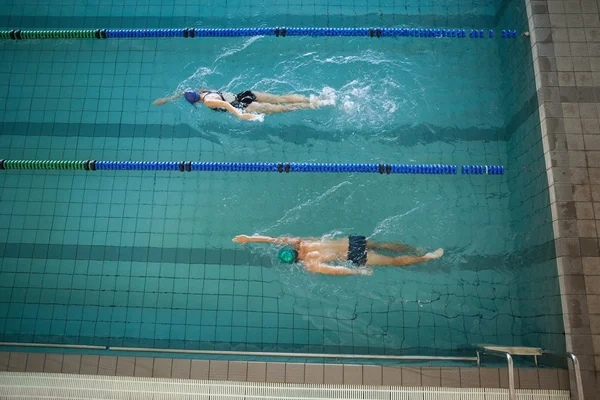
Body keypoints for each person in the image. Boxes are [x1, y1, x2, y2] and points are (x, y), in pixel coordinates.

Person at [232, 234, 444, 276]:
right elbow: (274, 239)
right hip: (349, 241)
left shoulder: (309, 264)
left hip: (354, 256)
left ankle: (427, 257)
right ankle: (414, 249)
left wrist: (359, 273)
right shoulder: (301, 242)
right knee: (380, 243)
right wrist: (249, 238)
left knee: (394, 263)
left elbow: (333, 270)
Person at [152, 88, 333, 121]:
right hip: (246, 94)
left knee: (283, 109)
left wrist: (240, 115)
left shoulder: (207, 101)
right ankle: (315, 98)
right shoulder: (204, 91)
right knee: (281, 97)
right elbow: (182, 93)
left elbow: (229, 107)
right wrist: (168, 99)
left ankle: (319, 104)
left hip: (244, 106)